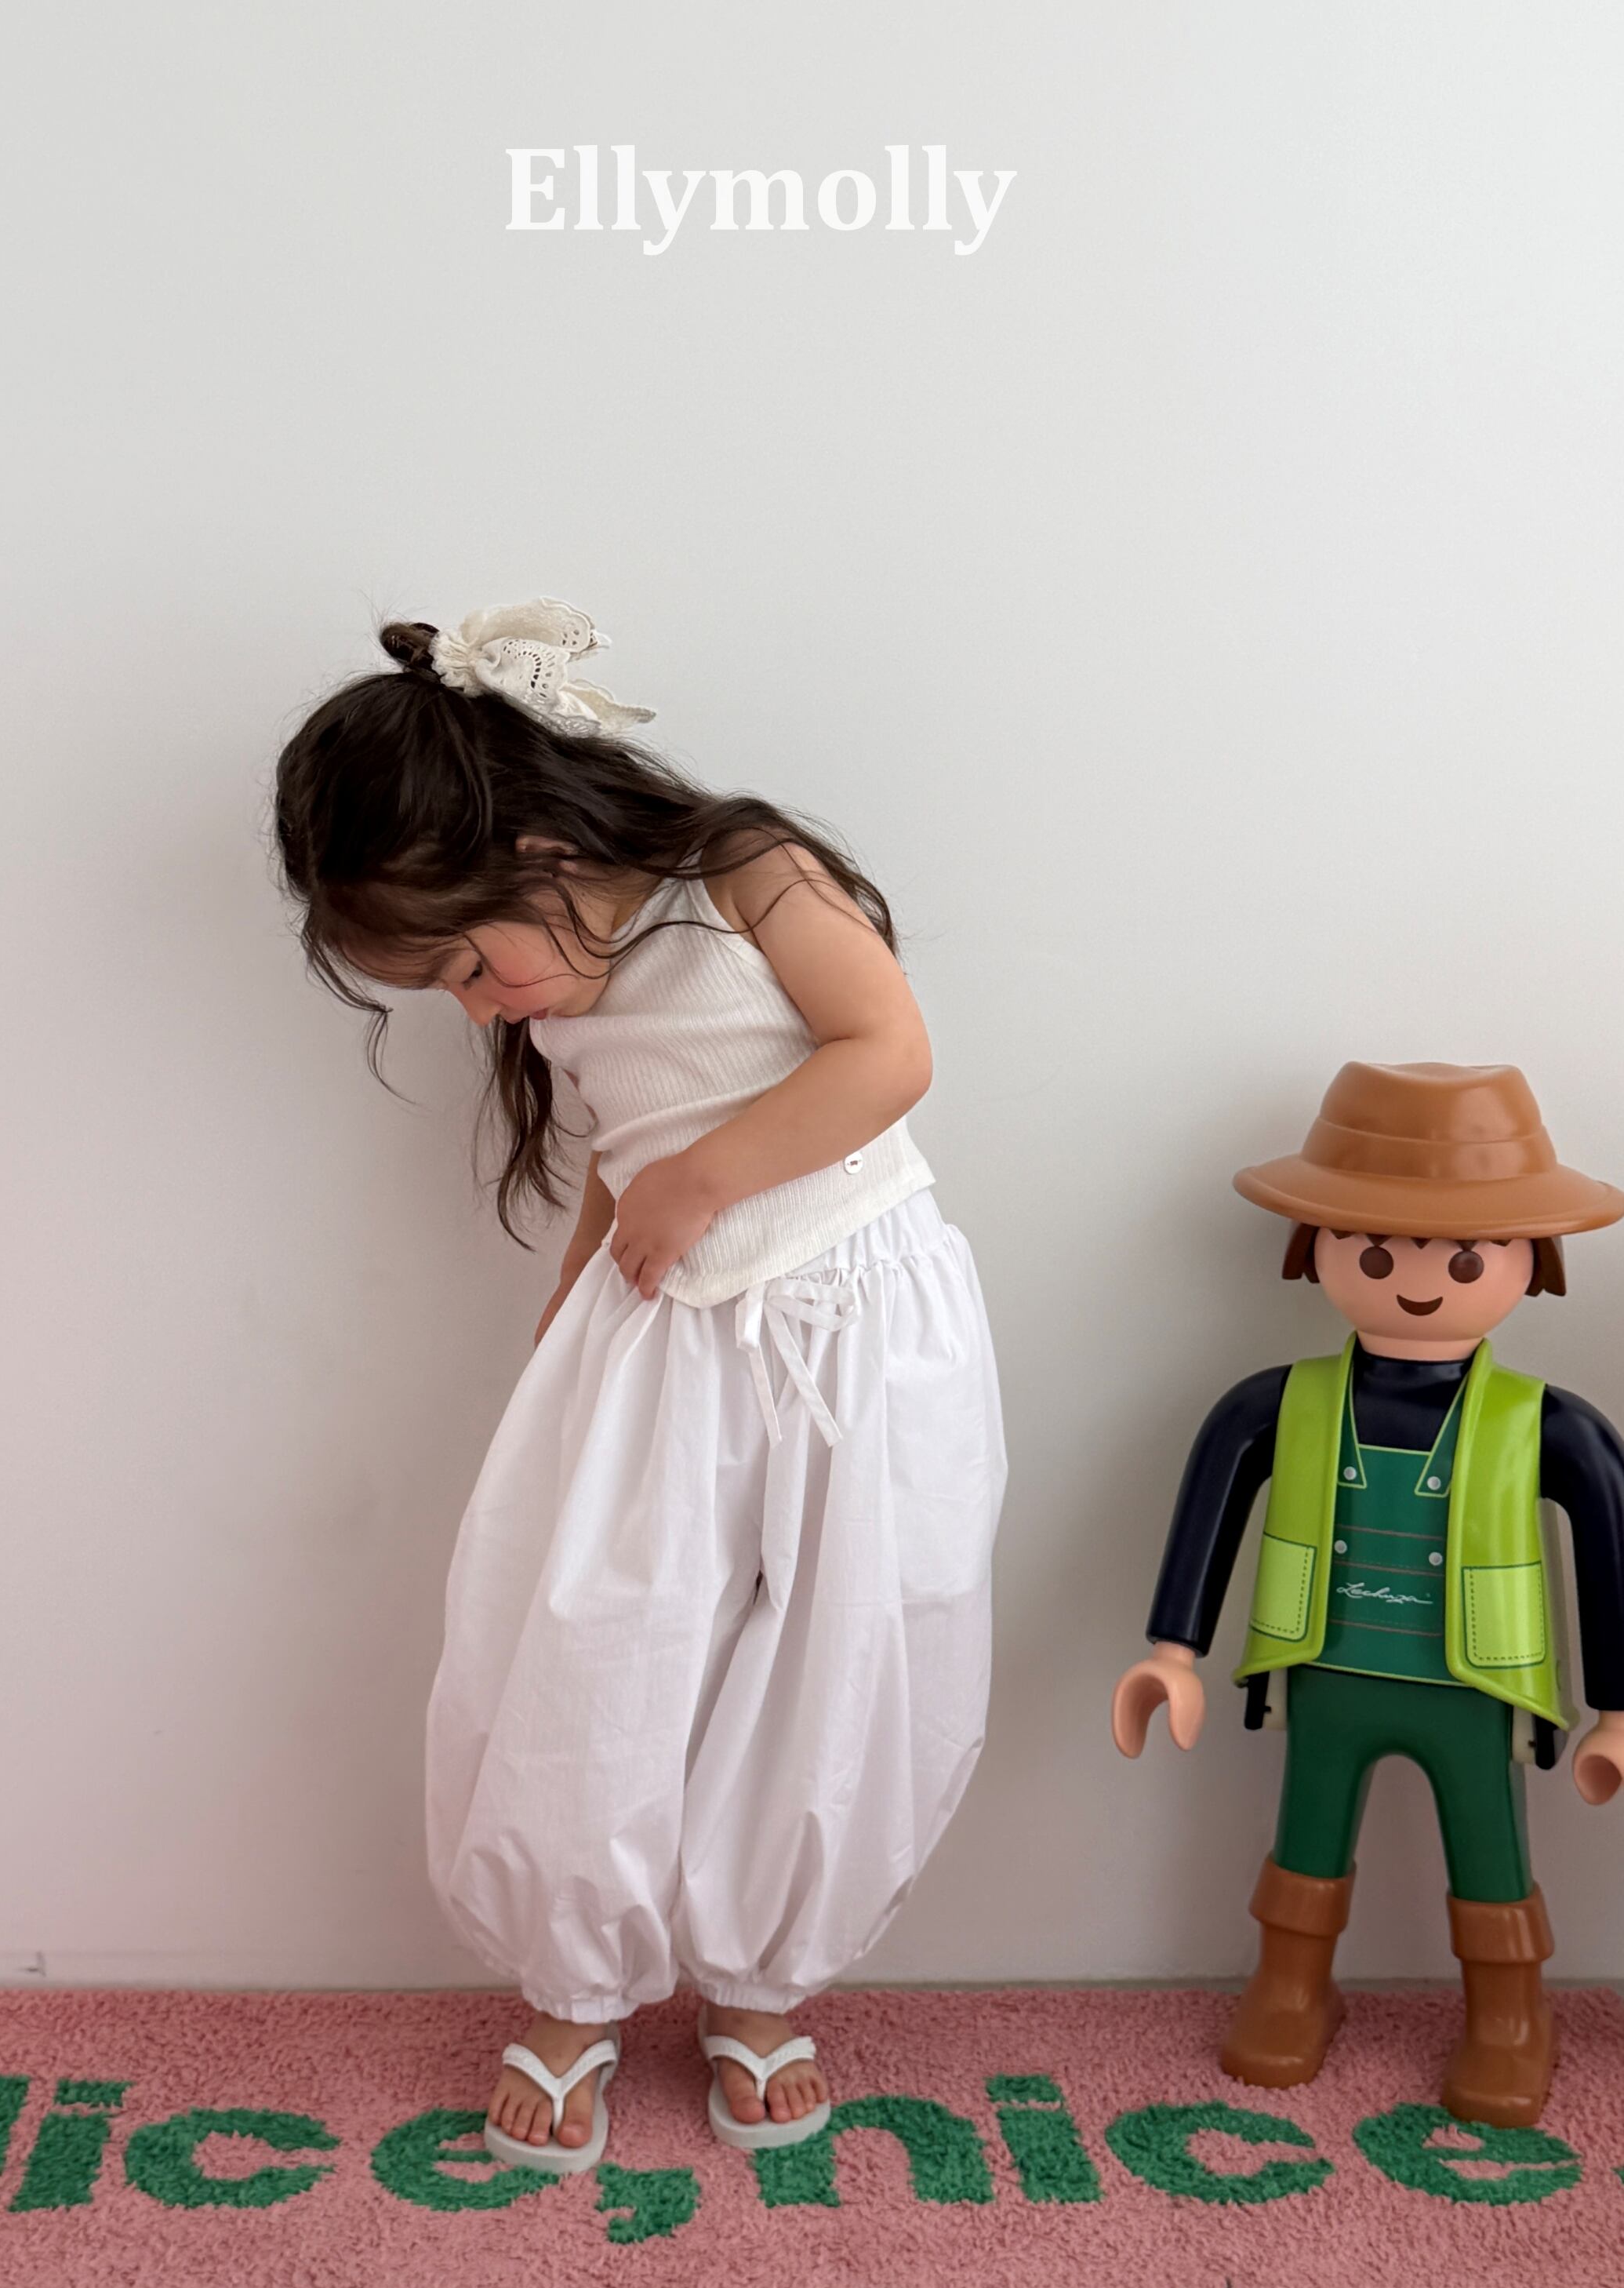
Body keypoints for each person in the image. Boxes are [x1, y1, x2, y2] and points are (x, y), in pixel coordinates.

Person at [272, 598, 1006, 2171]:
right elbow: (625, 1156)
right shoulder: (564, 990)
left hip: (861, 1321)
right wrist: (572, 1310)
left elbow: (886, 1050)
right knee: (601, 1641)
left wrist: (703, 1180)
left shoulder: (748, 875)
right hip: (669, 1334)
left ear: (538, 851)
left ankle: (760, 1976)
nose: (480, 1008)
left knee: (850, 1638)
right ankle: (575, 1986)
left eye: (470, 965)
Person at [1112, 1061, 1624, 2127]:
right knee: (1306, 1834)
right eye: (1378, 1251)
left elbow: (1613, 1544)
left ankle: (1508, 2016)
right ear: (1317, 1247)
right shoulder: (1278, 1404)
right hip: (1326, 1672)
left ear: (1530, 1262)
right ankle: (1291, 1988)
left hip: (1474, 1687)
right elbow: (1212, 1504)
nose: (1417, 1280)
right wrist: (1172, 1651)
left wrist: (1616, 1708)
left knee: (1490, 1850)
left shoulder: (1548, 1423)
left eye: (1465, 1256)